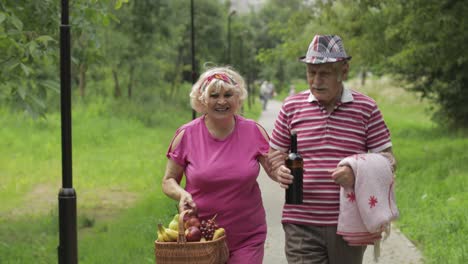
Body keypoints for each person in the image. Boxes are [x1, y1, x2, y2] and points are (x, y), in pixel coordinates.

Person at [267, 34, 396, 264]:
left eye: (324, 73)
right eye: (311, 72)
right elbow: (274, 156)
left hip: (349, 223)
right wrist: (278, 171)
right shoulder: (290, 107)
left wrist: (357, 173)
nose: (316, 80)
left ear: (343, 72)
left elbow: (388, 161)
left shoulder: (366, 108)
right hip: (300, 222)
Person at [162, 66, 271, 263]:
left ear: (237, 98)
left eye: (228, 94)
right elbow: (168, 180)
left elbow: (275, 170)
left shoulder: (253, 131)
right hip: (199, 237)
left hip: (248, 236)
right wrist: (182, 194)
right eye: (214, 95)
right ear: (202, 99)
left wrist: (285, 170)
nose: (222, 101)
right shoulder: (186, 135)